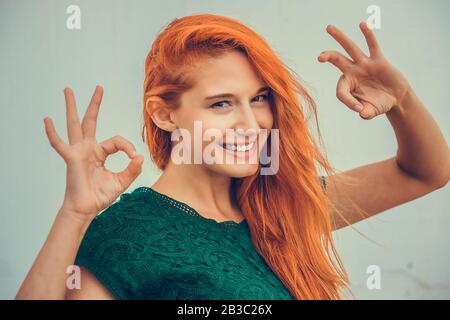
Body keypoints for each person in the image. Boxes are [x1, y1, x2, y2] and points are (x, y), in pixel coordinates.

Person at [15, 13, 449, 300]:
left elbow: (424, 172)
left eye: (258, 99)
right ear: (164, 114)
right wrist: (74, 214)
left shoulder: (284, 203)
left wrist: (402, 99)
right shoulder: (123, 238)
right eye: (221, 103)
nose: (251, 124)